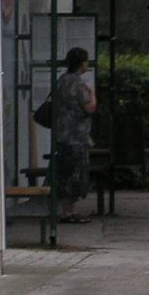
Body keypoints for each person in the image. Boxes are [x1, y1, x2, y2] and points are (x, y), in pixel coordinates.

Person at [56, 47, 97, 223]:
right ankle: (70, 212)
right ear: (81, 63)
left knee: (66, 173)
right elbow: (90, 107)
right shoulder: (79, 84)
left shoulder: (61, 80)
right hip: (77, 136)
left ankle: (67, 210)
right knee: (77, 174)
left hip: (63, 134)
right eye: (86, 61)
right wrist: (93, 94)